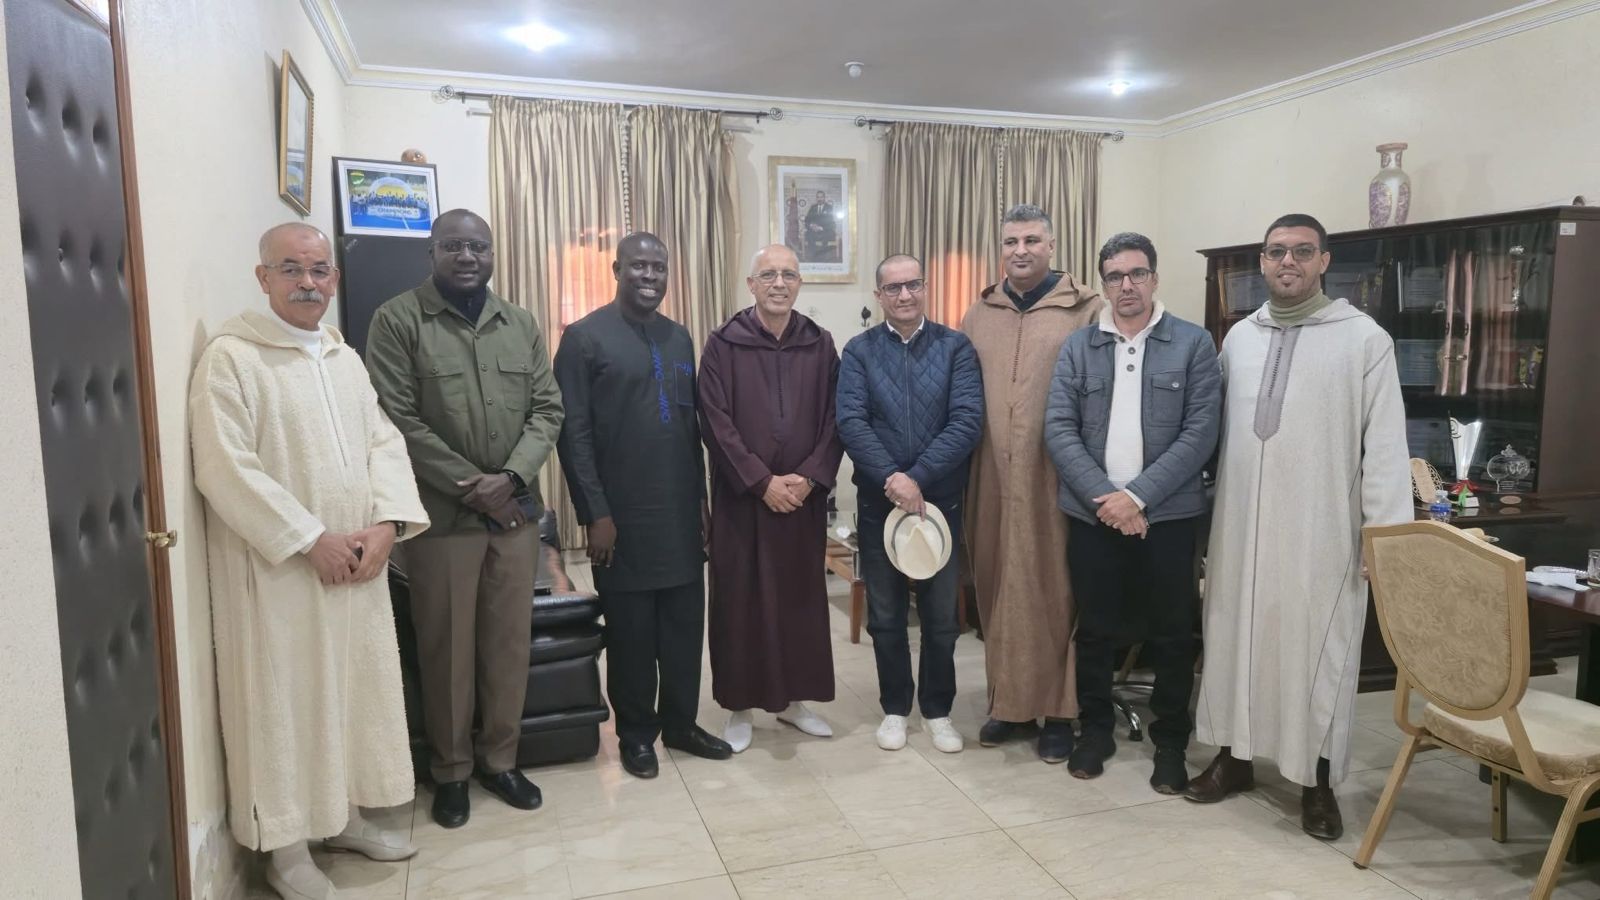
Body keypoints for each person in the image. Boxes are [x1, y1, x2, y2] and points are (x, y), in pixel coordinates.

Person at [191, 223, 429, 900]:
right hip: (283, 576)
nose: (307, 283)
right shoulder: (233, 359)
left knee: (351, 693)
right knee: (286, 705)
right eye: (291, 269)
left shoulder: (341, 356)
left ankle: (343, 816)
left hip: (358, 564)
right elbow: (225, 468)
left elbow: (382, 442)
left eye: (319, 270)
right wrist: (308, 538)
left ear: (335, 278)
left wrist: (387, 525)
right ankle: (289, 849)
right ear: (262, 277)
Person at [1187, 213, 1412, 841]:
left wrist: (1382, 538)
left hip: (1321, 532)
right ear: (1262, 262)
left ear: (1323, 261)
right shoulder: (1239, 339)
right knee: (1233, 640)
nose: (1288, 261)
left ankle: (1318, 783)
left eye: (1302, 251)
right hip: (1239, 527)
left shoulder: (1363, 340)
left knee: (1317, 653)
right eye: (1276, 251)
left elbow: (1386, 447)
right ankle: (1233, 758)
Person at [365, 210, 564, 828]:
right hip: (441, 520)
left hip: (513, 517)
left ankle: (500, 761)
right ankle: (450, 771)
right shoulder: (397, 320)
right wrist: (475, 488)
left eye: (479, 246)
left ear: (492, 253)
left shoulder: (520, 323)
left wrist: (509, 479)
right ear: (432, 252)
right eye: (453, 245)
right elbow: (395, 417)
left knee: (507, 644)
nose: (468, 256)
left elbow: (547, 409)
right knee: (446, 646)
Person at [1043, 232, 1221, 792]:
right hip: (1093, 514)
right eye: (1115, 276)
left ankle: (1170, 742)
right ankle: (1095, 731)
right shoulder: (1078, 347)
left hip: (1166, 518)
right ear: (1103, 285)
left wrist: (1137, 497)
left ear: (1154, 278)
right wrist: (1109, 500)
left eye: (1137, 273)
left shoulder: (1193, 343)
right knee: (1095, 630)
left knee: (1173, 633)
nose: (1127, 285)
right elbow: (1059, 429)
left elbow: (1201, 433)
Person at [554, 232, 733, 779]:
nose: (649, 276)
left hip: (678, 512)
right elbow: (573, 435)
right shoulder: (583, 339)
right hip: (620, 516)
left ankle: (680, 723)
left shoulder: (679, 338)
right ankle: (635, 734)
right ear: (617, 270)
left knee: (683, 630)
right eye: (638, 266)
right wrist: (595, 513)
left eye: (658, 267)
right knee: (632, 634)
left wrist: (701, 504)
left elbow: (690, 429)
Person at [961, 203, 1104, 762]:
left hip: (1058, 479)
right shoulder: (980, 313)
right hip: (991, 477)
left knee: (1055, 590)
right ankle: (1009, 704)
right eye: (1010, 241)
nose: (1020, 251)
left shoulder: (1086, 310)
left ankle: (1059, 712)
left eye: (1031, 240)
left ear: (1051, 245)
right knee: (998, 586)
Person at [698, 244, 844, 752]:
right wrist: (761, 482)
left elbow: (837, 418)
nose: (779, 283)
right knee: (740, 603)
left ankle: (794, 702)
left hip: (801, 501)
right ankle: (739, 706)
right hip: (744, 502)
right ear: (751, 284)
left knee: (798, 602)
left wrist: (809, 478)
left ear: (800, 283)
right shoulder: (723, 344)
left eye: (788, 275)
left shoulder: (820, 344)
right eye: (768, 275)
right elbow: (714, 420)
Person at [837, 253, 984, 753]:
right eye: (893, 288)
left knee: (941, 617)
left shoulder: (955, 347)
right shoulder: (859, 351)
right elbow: (851, 422)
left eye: (913, 285)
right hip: (879, 503)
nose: (904, 295)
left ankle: (938, 711)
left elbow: (966, 421)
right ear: (878, 295)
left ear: (925, 287)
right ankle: (895, 708)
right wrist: (893, 480)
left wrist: (917, 478)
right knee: (885, 615)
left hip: (938, 502)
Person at [804, 190, 838, 261]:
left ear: (824, 198)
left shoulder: (829, 207)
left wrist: (821, 228)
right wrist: (811, 225)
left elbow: (830, 221)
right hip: (814, 231)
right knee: (808, 234)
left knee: (827, 235)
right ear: (816, 198)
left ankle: (823, 255)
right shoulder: (813, 207)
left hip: (824, 230)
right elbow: (807, 219)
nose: (819, 199)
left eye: (821, 197)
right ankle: (814, 254)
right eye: (818, 197)